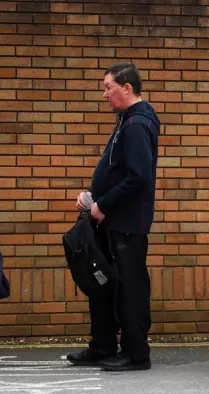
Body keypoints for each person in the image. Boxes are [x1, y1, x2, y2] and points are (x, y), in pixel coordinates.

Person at [66, 63, 160, 371]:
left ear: (127, 89)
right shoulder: (126, 121)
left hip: (127, 223)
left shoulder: (136, 125)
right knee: (103, 283)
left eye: (109, 88)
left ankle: (135, 353)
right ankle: (103, 344)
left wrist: (103, 204)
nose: (105, 94)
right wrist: (93, 197)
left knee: (129, 287)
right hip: (111, 219)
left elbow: (138, 178)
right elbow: (116, 171)